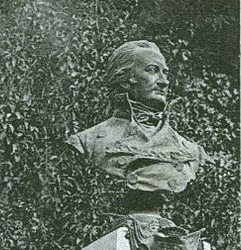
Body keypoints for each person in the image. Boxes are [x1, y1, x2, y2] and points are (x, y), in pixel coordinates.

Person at [66, 39, 208, 198]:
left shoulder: (191, 151)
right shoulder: (86, 142)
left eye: (165, 72)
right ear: (126, 79)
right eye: (153, 70)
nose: (164, 82)